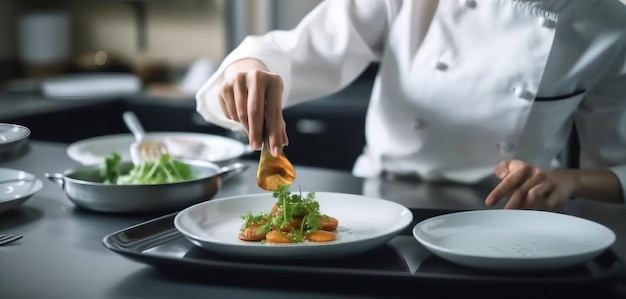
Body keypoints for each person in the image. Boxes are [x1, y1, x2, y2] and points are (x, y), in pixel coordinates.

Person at [195, 0, 626, 210]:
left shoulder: (611, 25)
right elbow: (295, 50)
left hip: (507, 215)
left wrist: (568, 180)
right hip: (377, 204)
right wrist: (249, 68)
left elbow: (618, 167)